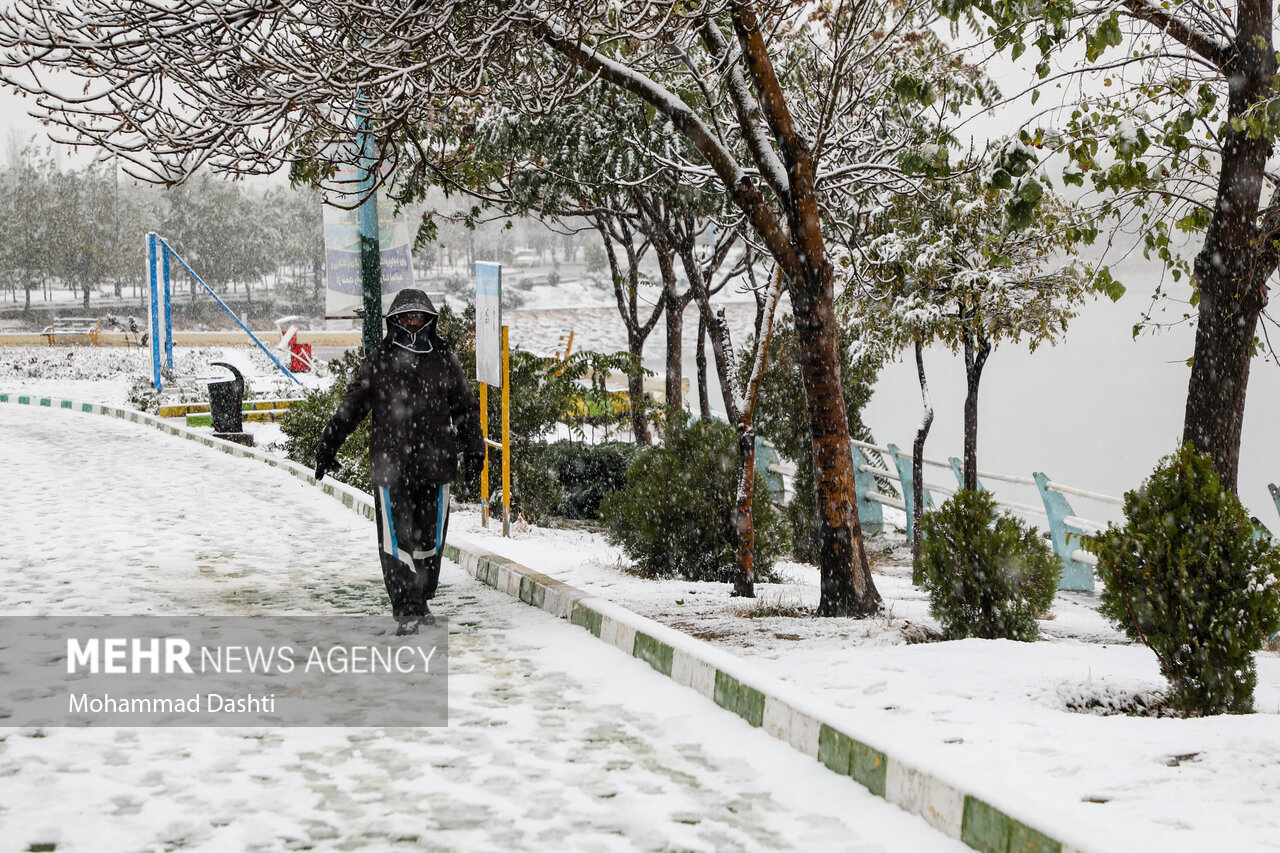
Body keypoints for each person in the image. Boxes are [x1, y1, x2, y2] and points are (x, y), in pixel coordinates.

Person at [314, 289, 484, 635]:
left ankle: (421, 596)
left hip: (436, 467)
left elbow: (465, 409)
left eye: (419, 317)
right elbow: (351, 408)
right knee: (397, 540)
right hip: (391, 468)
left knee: (429, 541)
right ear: (394, 321)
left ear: (430, 320)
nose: (413, 322)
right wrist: (327, 447)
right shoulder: (379, 361)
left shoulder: (444, 360)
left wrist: (474, 450)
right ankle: (407, 606)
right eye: (406, 317)